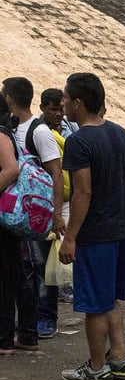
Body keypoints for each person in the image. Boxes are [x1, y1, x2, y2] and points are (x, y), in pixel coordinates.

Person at [58, 73, 125, 380]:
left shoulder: (78, 141)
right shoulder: (120, 133)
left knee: (94, 304)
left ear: (78, 102)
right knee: (111, 300)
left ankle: (96, 367)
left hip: (95, 235)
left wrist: (70, 237)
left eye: (66, 98)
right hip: (120, 231)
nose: (63, 102)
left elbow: (83, 193)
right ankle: (119, 358)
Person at [2, 77, 65, 343]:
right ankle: (27, 326)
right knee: (22, 268)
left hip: (36, 211)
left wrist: (56, 214)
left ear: (10, 99)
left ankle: (44, 320)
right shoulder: (12, 127)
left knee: (41, 267)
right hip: (16, 210)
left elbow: (56, 173)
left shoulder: (39, 131)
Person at [0, 99, 38, 355]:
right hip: (8, 214)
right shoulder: (7, 132)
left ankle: (4, 339)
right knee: (14, 272)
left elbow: (11, 169)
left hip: (3, 214)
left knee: (5, 276)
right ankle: (26, 334)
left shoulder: (1, 135)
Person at [38, 87, 77, 304]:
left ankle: (65, 284)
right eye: (53, 110)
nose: (58, 114)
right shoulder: (38, 132)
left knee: (66, 242)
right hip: (47, 199)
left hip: (69, 197)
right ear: (42, 108)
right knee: (46, 248)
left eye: (61, 109)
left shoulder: (71, 128)